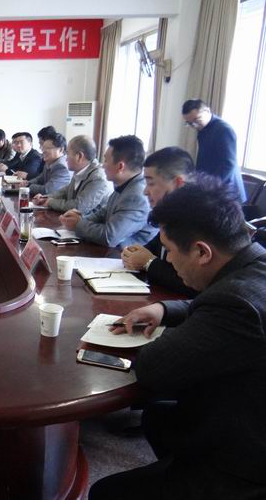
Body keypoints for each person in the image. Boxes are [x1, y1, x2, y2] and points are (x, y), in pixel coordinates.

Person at [90, 177, 266, 499]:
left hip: (246, 462)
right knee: (160, 418)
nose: (167, 260)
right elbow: (214, 302)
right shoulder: (255, 264)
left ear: (201, 252)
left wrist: (171, 334)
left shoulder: (235, 306)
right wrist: (163, 309)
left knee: (106, 492)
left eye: (169, 251)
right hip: (244, 410)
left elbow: (154, 368)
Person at [121, 147, 196, 296]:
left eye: (151, 183)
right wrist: (133, 254)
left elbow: (193, 285)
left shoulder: (198, 219)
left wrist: (149, 262)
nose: (145, 191)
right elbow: (151, 249)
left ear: (178, 183)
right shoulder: (169, 214)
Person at [60, 135, 156, 248]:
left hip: (124, 255)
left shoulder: (137, 195)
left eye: (105, 160)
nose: (102, 165)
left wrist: (78, 224)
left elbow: (109, 237)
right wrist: (79, 218)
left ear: (120, 166)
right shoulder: (125, 185)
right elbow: (103, 213)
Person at [182, 99, 246, 202]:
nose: (194, 125)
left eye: (196, 120)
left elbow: (228, 164)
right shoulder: (203, 129)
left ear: (207, 111)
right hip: (211, 187)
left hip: (226, 190)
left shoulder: (223, 130)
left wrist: (211, 187)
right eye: (190, 123)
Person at [33, 135, 112, 214]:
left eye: (67, 154)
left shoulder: (98, 178)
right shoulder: (80, 170)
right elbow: (65, 192)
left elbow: (79, 207)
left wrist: (50, 202)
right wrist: (44, 198)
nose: (66, 159)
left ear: (79, 156)